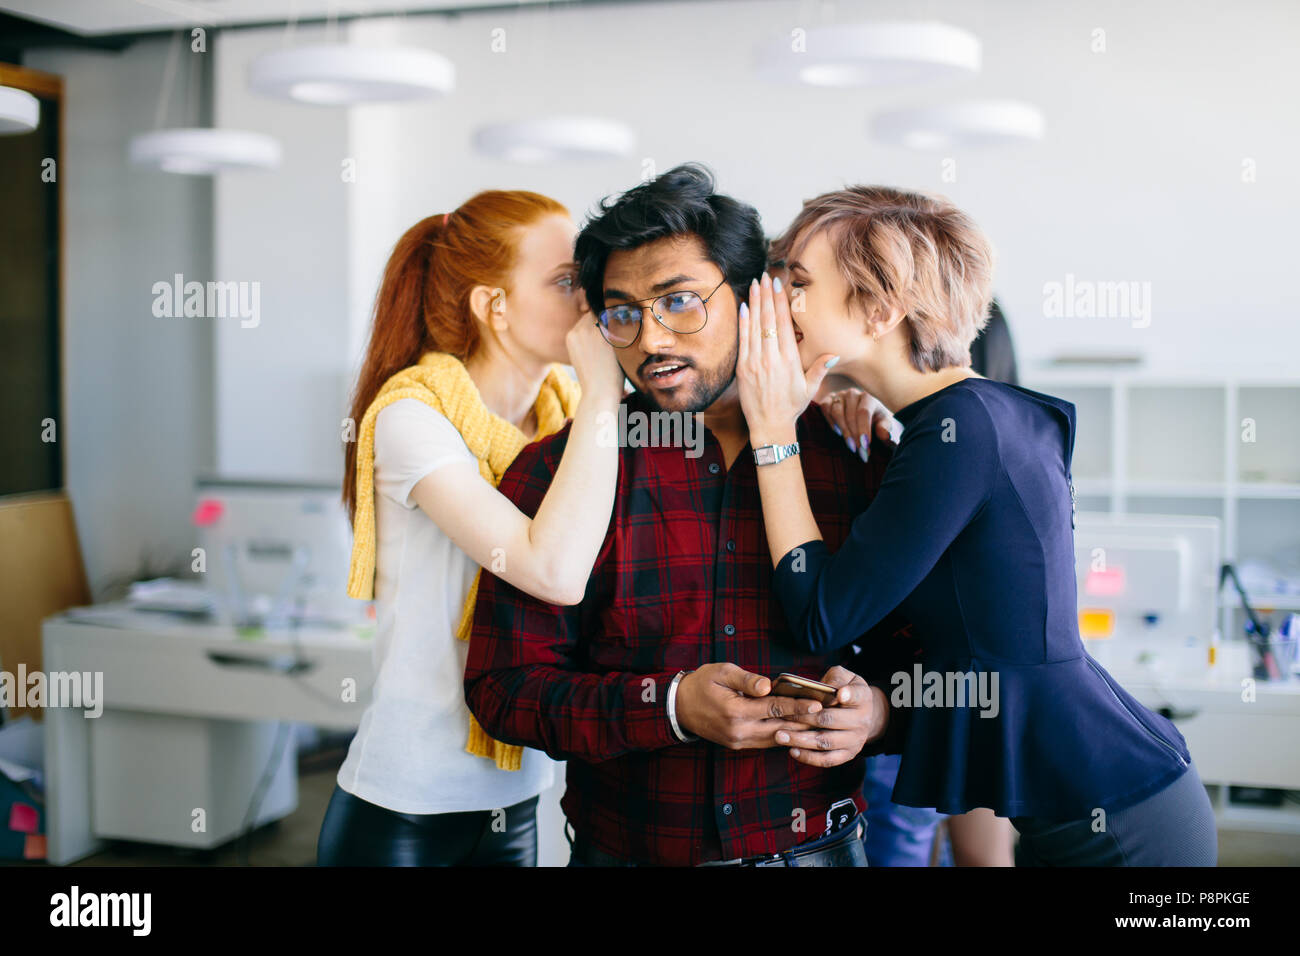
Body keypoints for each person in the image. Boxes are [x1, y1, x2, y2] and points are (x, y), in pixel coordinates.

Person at [736, 185, 1217, 866]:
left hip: (1120, 832)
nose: (782, 304)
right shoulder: (969, 420)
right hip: (1115, 807)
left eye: (800, 284)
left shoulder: (960, 435)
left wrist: (772, 432)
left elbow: (822, 616)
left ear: (878, 310)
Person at [463, 164, 904, 867]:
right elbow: (503, 687)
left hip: (817, 850)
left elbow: (931, 662)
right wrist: (668, 706)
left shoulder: (855, 456)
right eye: (623, 313)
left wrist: (879, 714)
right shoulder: (558, 472)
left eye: (680, 301)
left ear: (756, 298)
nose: (652, 340)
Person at [316, 190, 629, 865]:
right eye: (566, 282)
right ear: (494, 307)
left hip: (516, 795)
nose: (590, 301)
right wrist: (606, 392)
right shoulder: (413, 419)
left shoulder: (569, 425)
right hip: (406, 806)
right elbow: (551, 570)